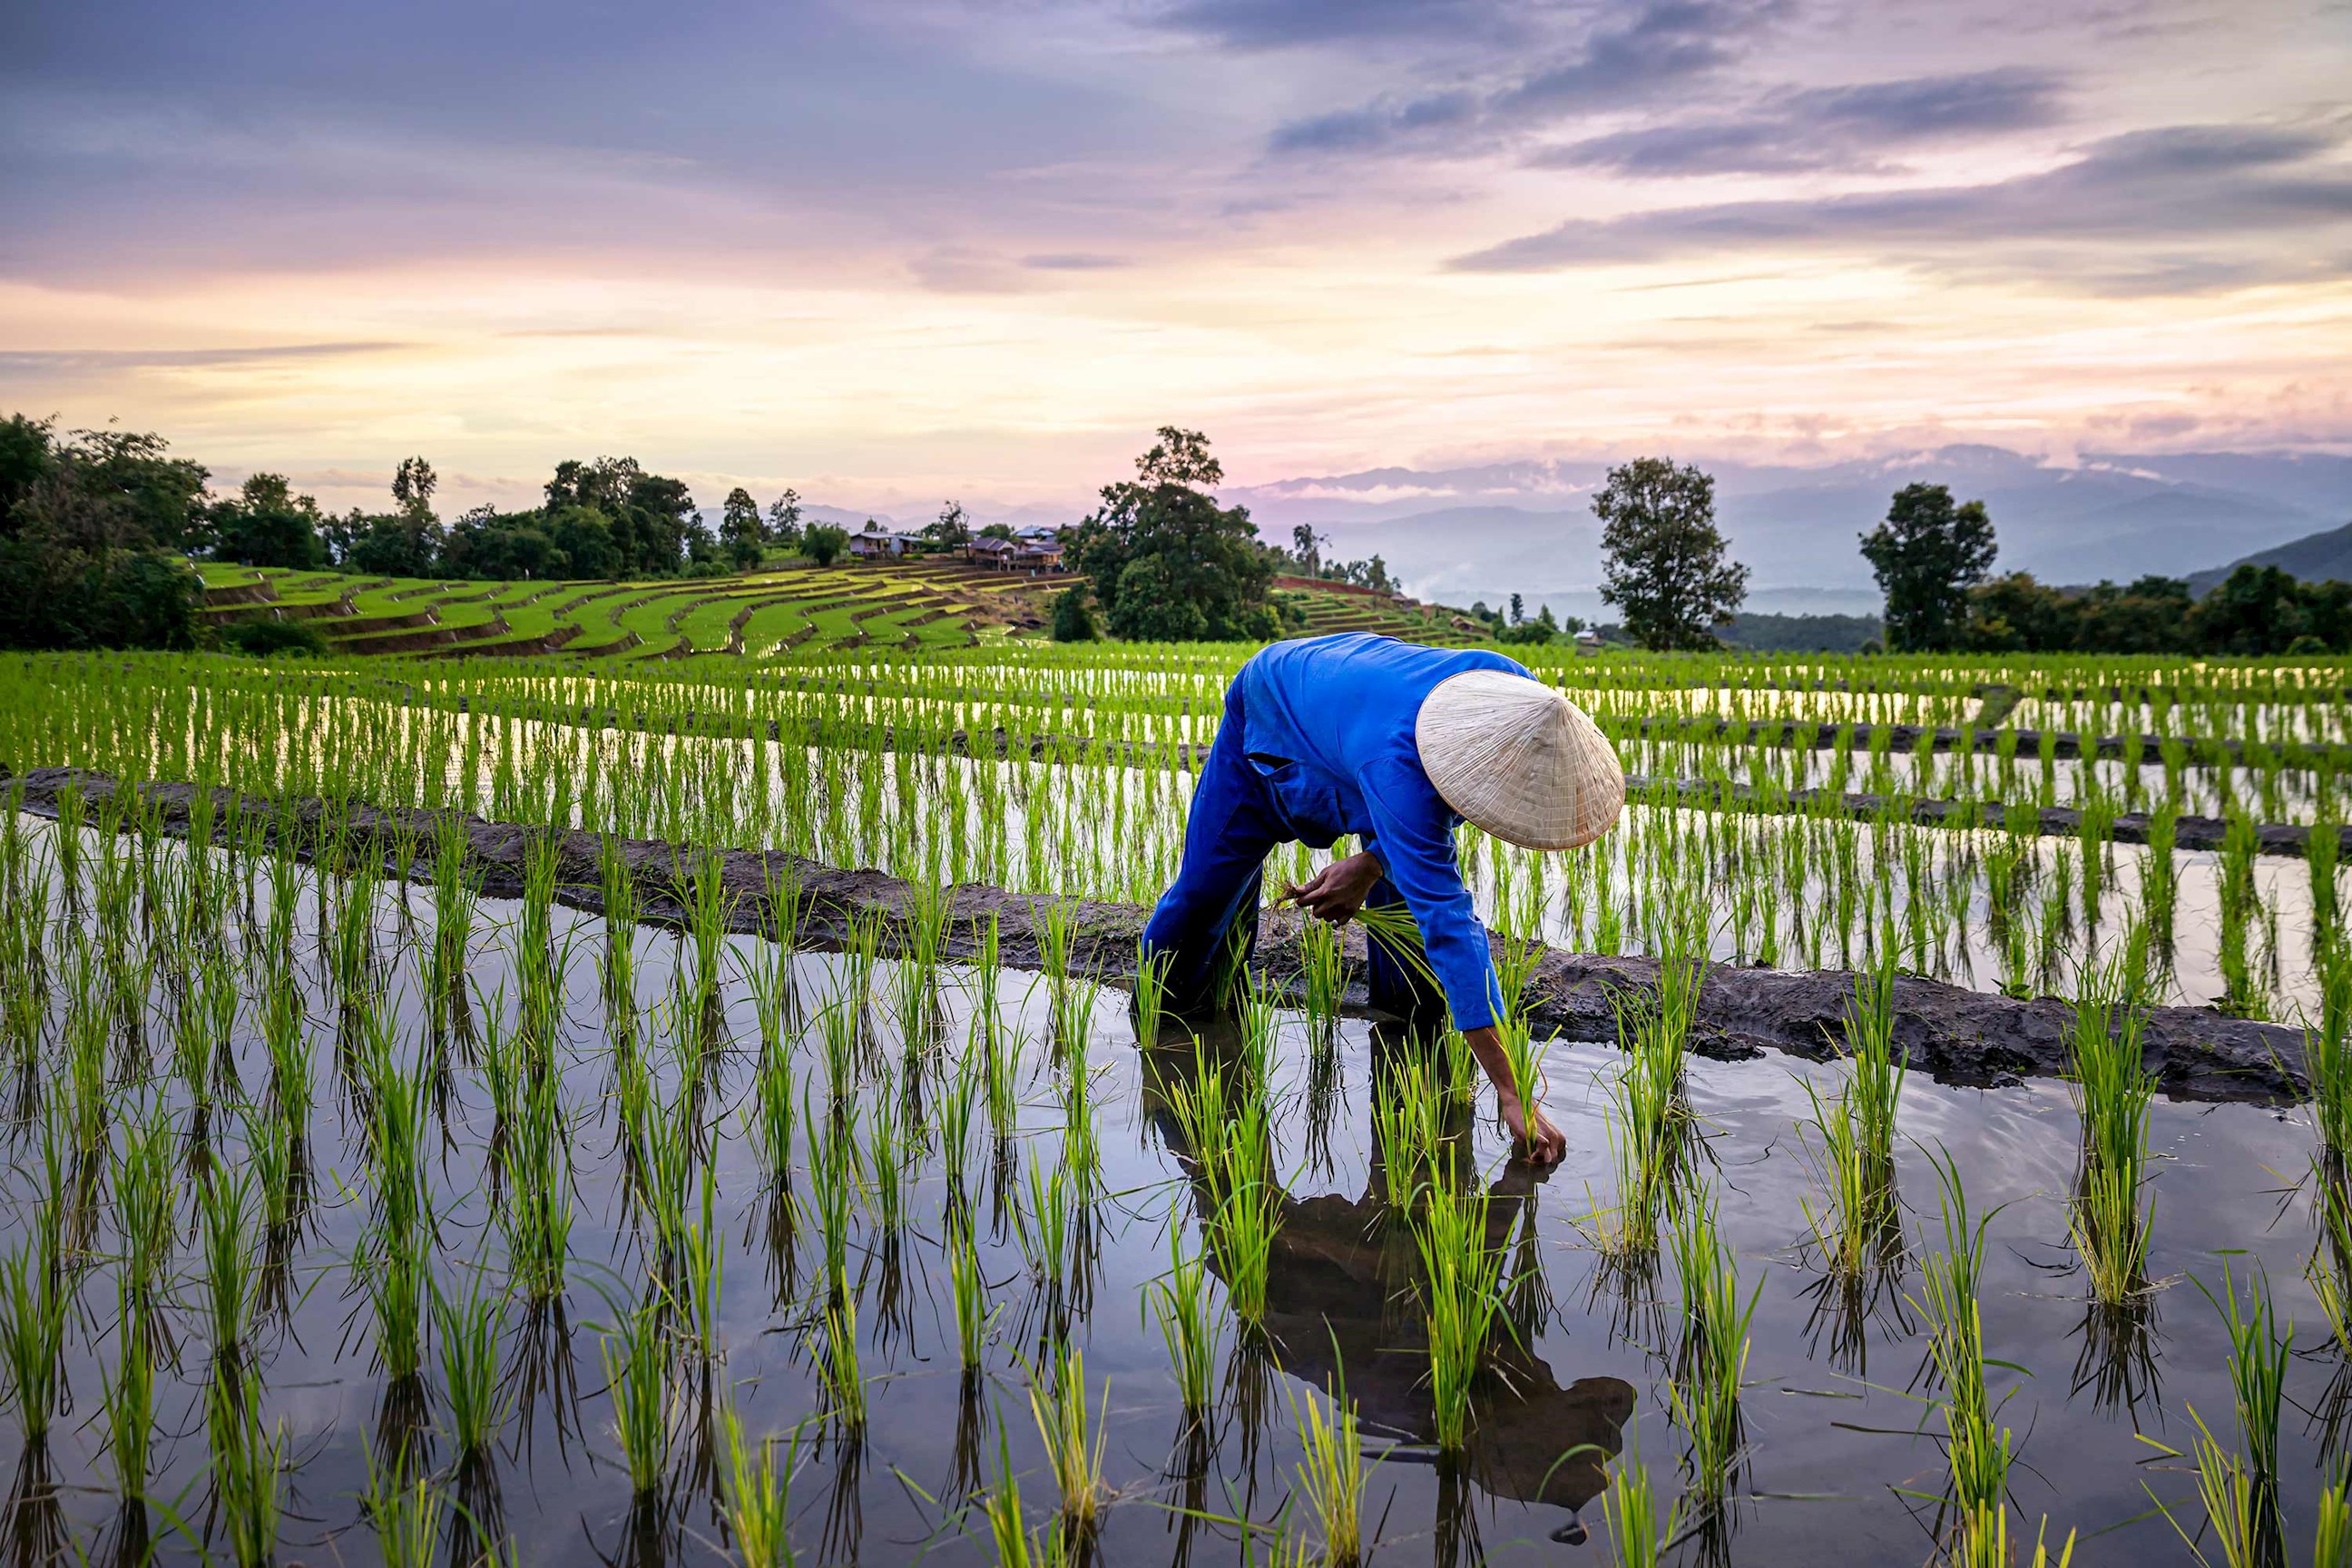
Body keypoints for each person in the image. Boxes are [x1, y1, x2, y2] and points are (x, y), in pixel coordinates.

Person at [1140, 632, 1622, 1163]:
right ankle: (1164, 1023)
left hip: (1364, 726)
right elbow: (1451, 926)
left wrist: (1369, 865)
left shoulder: (1516, 698)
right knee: (1204, 897)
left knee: (1405, 913)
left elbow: (1437, 812)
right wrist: (1513, 1091)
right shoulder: (1397, 771)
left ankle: (1408, 1030)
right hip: (1277, 703)